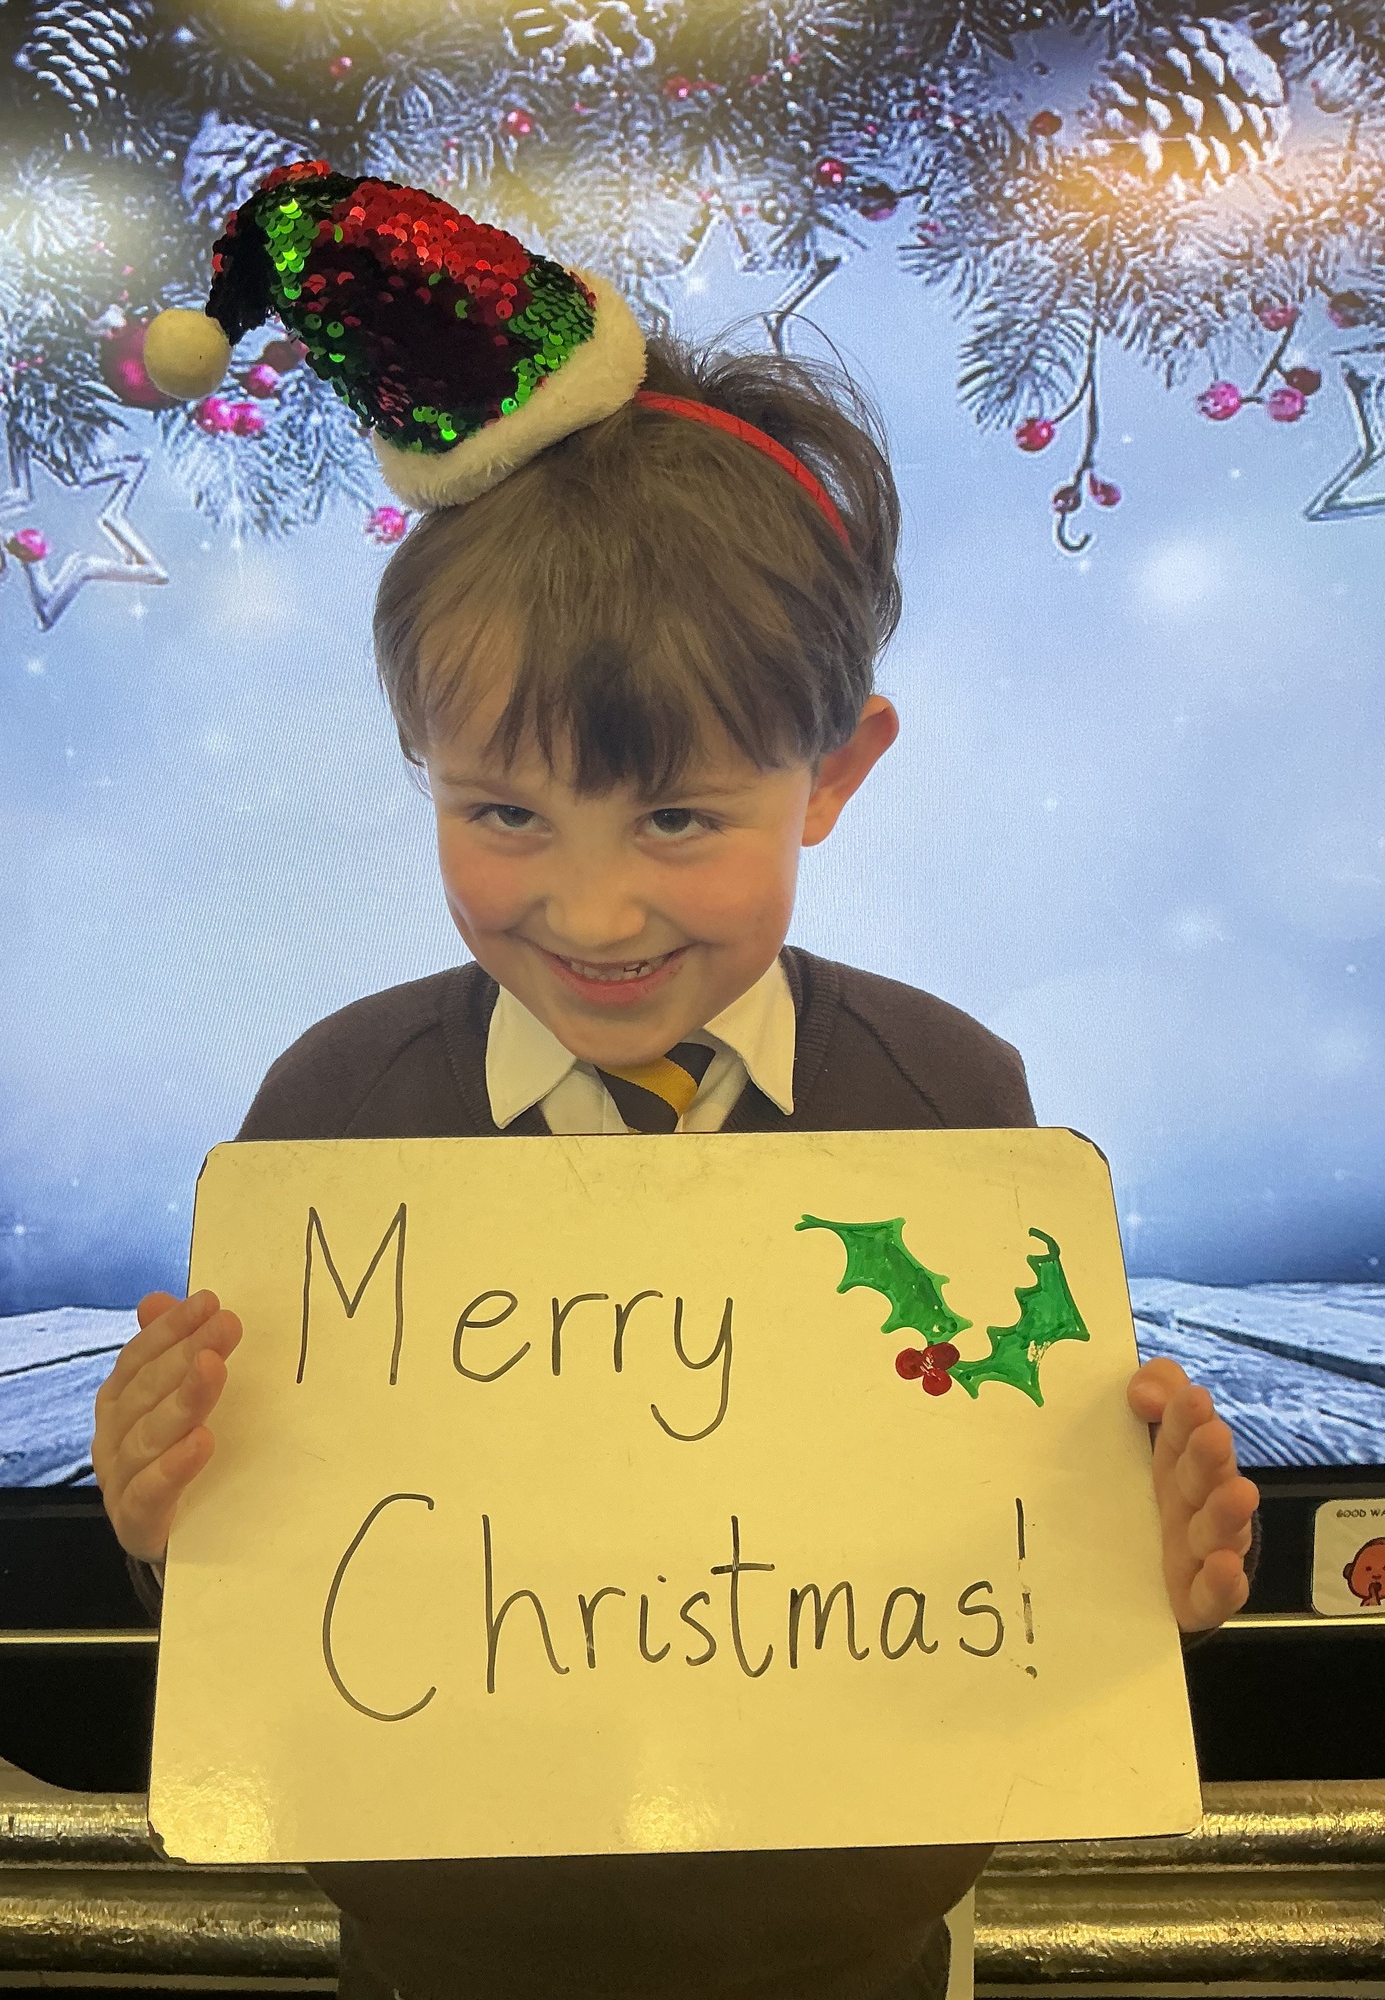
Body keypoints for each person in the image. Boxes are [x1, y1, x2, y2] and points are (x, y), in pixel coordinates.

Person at [96, 169, 1260, 2000]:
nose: (592, 910)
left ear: (835, 772)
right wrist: (162, 1517)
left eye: (680, 819)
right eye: (503, 814)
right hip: (436, 1961)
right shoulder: (329, 1109)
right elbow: (270, 1602)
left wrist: (1138, 1576)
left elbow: (1003, 1573)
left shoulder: (956, 1097)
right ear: (421, 765)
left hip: (848, 1956)